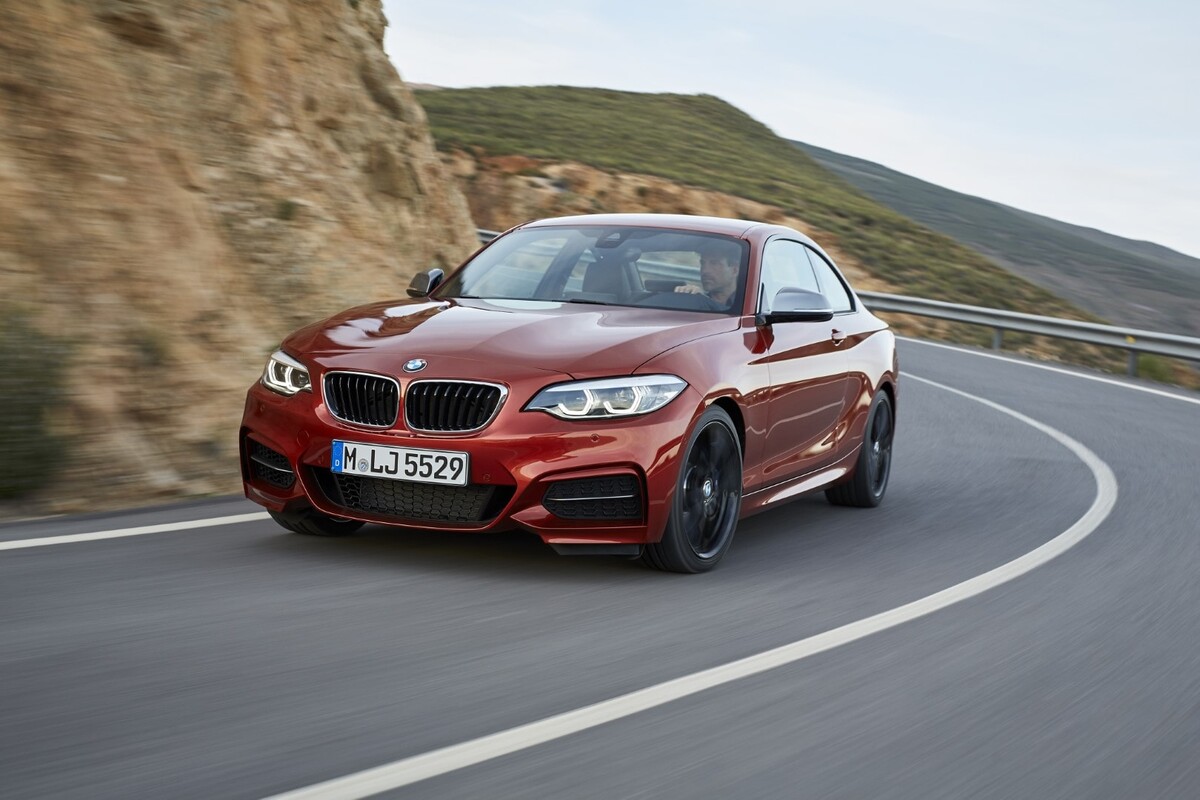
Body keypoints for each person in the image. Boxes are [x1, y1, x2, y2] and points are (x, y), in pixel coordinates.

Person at [674, 241, 742, 308]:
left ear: (734, 271)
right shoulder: (698, 300)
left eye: (714, 263)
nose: (705, 270)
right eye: (703, 263)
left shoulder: (745, 304)